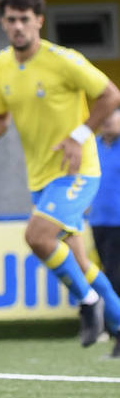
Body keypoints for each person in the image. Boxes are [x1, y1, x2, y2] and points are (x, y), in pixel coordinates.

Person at [0, 0, 120, 347]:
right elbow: (2, 115)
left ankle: (89, 302)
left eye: (25, 19)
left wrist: (79, 134)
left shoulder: (63, 60)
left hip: (77, 170)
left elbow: (111, 95)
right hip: (40, 176)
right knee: (81, 262)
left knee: (37, 236)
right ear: (3, 24)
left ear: (39, 20)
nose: (18, 26)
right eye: (11, 20)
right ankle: (117, 323)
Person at [90, 107, 120, 357]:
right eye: (104, 116)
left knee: (116, 278)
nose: (107, 121)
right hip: (99, 222)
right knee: (109, 277)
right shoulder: (92, 147)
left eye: (112, 116)